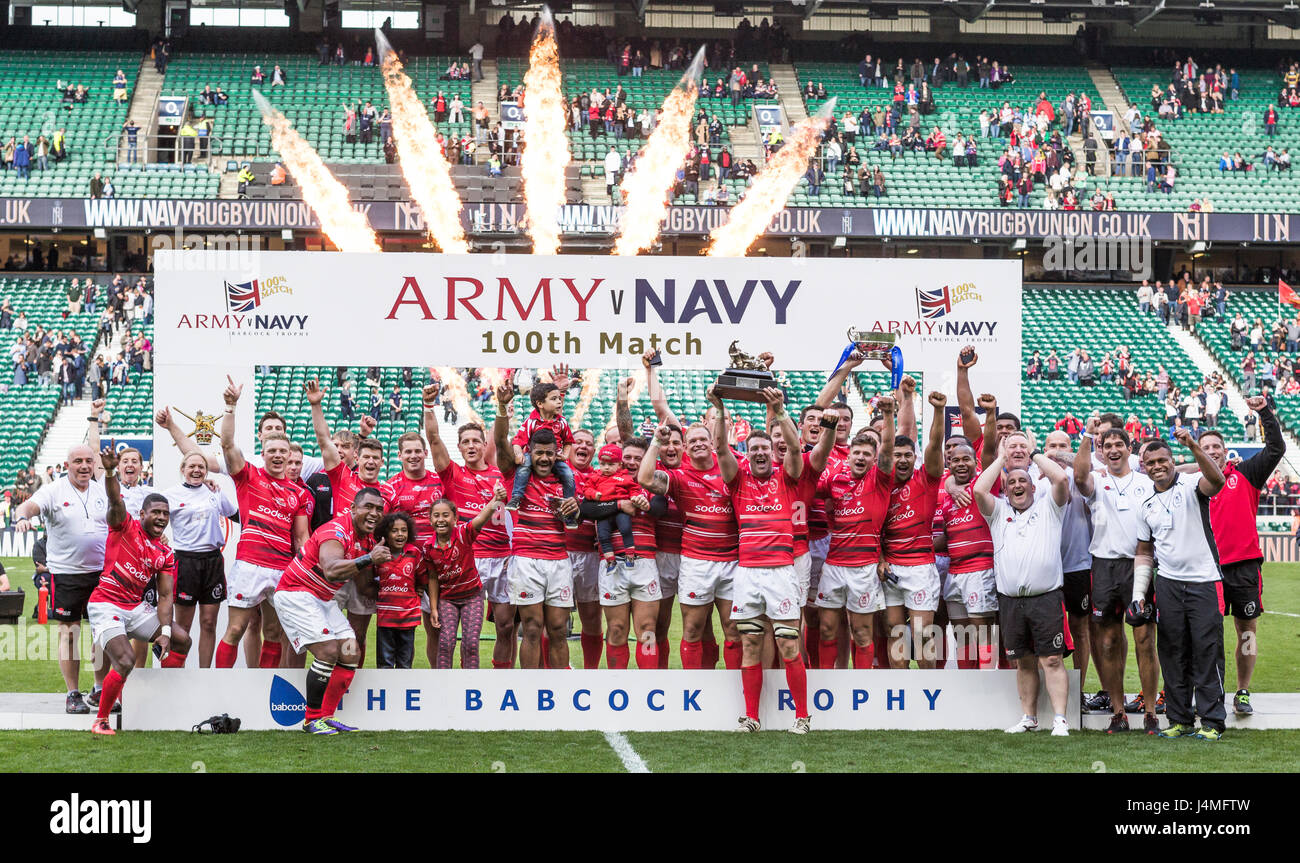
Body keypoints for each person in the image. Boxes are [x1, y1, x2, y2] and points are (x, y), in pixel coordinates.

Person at [711, 384, 828, 733]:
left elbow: (795, 445)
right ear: (746, 454)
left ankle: (802, 717)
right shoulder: (737, 481)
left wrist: (779, 412)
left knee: (789, 644)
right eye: (754, 449)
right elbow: (719, 446)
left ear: (771, 454)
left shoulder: (788, 479)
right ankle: (752, 717)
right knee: (749, 643)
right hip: (747, 574)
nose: (760, 453)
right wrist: (719, 408)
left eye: (764, 448)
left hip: (781, 573)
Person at [973, 434, 1074, 737]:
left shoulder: (1049, 509)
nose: (1017, 486)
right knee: (1023, 661)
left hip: (1046, 598)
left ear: (1033, 486)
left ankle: (1059, 720)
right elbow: (979, 489)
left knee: (1052, 659)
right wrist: (1002, 460)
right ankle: (1029, 717)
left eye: (1023, 481)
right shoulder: (998, 513)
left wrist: (1032, 453)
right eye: (1011, 483)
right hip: (1011, 600)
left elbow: (1060, 479)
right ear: (1005, 490)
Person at [208, 376, 311, 669]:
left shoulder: (298, 494)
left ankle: (263, 690)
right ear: (262, 454)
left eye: (283, 452)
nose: (278, 456)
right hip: (250, 565)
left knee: (274, 632)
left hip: (281, 568)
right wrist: (230, 406)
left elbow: (301, 538)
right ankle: (222, 686)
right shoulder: (248, 476)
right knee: (236, 629)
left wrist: (303, 571)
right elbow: (227, 443)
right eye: (272, 452)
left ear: (289, 455)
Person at [12, 403, 109, 713]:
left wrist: (94, 419)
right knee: (69, 634)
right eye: (77, 461)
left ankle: (98, 689)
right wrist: (22, 517)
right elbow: (29, 506)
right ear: (67, 464)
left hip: (101, 574)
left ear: (94, 464)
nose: (83, 465)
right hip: (66, 574)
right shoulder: (54, 490)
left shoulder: (101, 490)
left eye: (88, 461)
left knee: (102, 634)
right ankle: (72, 694)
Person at [273, 487, 388, 734]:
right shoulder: (336, 531)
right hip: (296, 593)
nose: (374, 513)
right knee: (327, 650)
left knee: (350, 651)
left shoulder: (367, 539)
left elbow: (364, 582)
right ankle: (311, 720)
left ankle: (325, 715)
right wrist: (369, 559)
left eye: (379, 509)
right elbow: (332, 570)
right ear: (352, 509)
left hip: (322, 598)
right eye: (368, 507)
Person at [1135, 433, 1228, 740]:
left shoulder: (1191, 484)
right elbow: (1144, 552)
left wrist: (1193, 446)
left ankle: (1212, 722)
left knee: (1207, 651)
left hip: (1204, 580)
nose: (1157, 466)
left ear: (1173, 461)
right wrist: (1139, 594)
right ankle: (1180, 720)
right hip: (1169, 585)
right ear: (1144, 466)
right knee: (1173, 653)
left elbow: (1216, 480)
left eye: (1163, 460)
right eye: (1151, 462)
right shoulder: (1146, 504)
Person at [1195, 397, 1282, 715]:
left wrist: (1263, 413)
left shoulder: (1245, 474)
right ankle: (1209, 691)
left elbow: (1276, 450)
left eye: (1217, 446)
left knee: (1247, 632)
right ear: (1199, 451)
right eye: (1206, 447)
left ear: (1224, 450)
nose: (1213, 451)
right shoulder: (1192, 483)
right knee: (1206, 635)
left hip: (1244, 567)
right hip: (1205, 569)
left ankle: (1243, 691)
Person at [1074, 418, 1161, 732]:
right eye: (1106, 445)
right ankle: (1118, 710)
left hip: (1139, 566)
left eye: (1118, 445)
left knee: (1144, 639)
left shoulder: (1145, 482)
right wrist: (1086, 435)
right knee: (1109, 641)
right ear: (1100, 450)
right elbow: (1079, 475)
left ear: (1129, 448)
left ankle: (1150, 711)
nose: (1112, 449)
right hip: (1105, 567)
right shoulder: (1096, 481)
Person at [421, 387, 513, 668]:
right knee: (451, 635)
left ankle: (501, 679)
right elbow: (434, 438)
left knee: (506, 627)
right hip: (466, 560)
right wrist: (428, 405)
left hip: (502, 558)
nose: (471, 446)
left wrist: (502, 408)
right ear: (459, 447)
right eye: (465, 442)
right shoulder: (452, 473)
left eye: (476, 441)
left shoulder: (503, 474)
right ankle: (450, 680)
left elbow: (503, 438)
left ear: (485, 446)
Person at [304, 379, 393, 665]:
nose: (369, 462)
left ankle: (351, 680)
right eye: (365, 456)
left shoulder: (389, 491)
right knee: (330, 631)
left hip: (366, 568)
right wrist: (316, 405)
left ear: (382, 462)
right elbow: (323, 441)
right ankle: (330, 676)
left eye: (375, 458)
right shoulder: (343, 476)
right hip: (340, 561)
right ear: (357, 456)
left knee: (358, 632)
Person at [493, 379, 580, 669]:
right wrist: (503, 407)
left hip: (558, 559)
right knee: (530, 629)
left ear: (557, 453)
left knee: (557, 631)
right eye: (538, 453)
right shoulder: (518, 473)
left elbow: (578, 518)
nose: (543, 459)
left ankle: (560, 690)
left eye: (549, 453)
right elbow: (500, 442)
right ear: (530, 451)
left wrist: (574, 509)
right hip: (527, 559)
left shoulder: (566, 478)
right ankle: (531, 691)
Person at [880, 385, 947, 669]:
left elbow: (933, 444)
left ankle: (927, 690)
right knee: (895, 633)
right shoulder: (880, 484)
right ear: (888, 457)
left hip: (920, 567)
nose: (903, 459)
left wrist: (939, 411)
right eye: (897, 455)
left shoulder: (926, 480)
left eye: (908, 454)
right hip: (891, 568)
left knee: (921, 635)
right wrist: (881, 560)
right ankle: (902, 693)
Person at [160, 445, 235, 668]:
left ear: (206, 471)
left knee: (209, 622)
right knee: (182, 628)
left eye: (201, 467)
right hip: (185, 562)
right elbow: (151, 522)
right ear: (182, 469)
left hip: (212, 561)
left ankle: (205, 675)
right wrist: (161, 537)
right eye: (191, 466)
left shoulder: (215, 492)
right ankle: (176, 675)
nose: (196, 470)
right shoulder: (169, 495)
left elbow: (238, 515)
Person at [425, 489, 506, 668]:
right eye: (436, 516)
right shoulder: (428, 547)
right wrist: (433, 608)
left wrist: (496, 499)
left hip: (472, 598)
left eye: (446, 515)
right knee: (445, 644)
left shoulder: (463, 533)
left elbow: (481, 518)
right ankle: (444, 685)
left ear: (455, 518)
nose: (441, 519)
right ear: (430, 520)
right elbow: (432, 578)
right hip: (447, 601)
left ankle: (470, 684)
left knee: (470, 644)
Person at [506, 375, 578, 525]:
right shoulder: (531, 422)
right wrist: (519, 454)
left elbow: (568, 441)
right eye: (554, 399)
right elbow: (518, 440)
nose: (559, 401)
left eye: (559, 398)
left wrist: (564, 455)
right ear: (540, 403)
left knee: (569, 475)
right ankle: (517, 497)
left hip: (554, 457)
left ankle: (568, 510)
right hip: (533, 455)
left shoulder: (562, 422)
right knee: (524, 467)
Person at [369, 511, 425, 669]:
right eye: (394, 531)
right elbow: (369, 578)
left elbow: (423, 578)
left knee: (405, 664)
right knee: (385, 664)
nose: (400, 534)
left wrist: (419, 588)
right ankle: (387, 693)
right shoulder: (379, 555)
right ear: (385, 533)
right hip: (386, 618)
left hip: (408, 617)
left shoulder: (414, 553)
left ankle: (402, 692)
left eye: (404, 530)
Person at [582, 444, 641, 571]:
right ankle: (610, 561)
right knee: (603, 536)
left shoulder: (624, 477)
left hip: (621, 511)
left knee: (625, 528)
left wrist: (635, 497)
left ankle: (630, 556)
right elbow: (586, 489)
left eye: (611, 464)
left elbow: (634, 489)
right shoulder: (595, 477)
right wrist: (594, 494)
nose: (606, 467)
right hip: (603, 512)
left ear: (619, 465)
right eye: (603, 464)